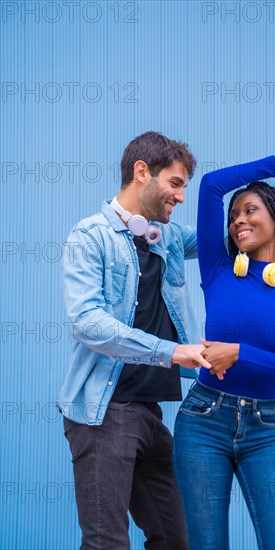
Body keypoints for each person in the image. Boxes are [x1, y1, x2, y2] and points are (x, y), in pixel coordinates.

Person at [57, 131, 212, 550]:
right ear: (142, 172)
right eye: (176, 184)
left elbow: (228, 235)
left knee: (176, 539)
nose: (181, 197)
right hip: (105, 413)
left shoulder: (169, 237)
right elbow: (88, 322)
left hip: (149, 413)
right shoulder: (90, 237)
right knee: (107, 542)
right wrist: (171, 351)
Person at [173, 152, 275, 550]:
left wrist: (242, 352)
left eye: (251, 210)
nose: (238, 220)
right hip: (202, 422)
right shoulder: (217, 269)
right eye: (234, 215)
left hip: (267, 430)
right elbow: (211, 185)